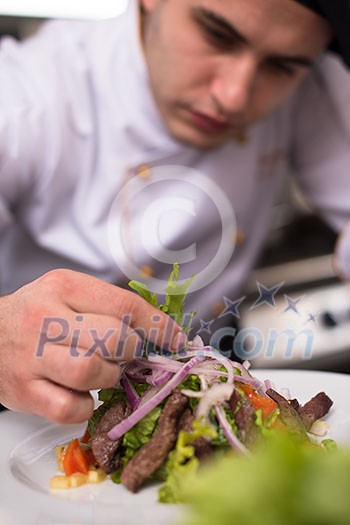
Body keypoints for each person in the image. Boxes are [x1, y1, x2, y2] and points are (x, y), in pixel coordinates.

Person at [0, 0, 349, 423]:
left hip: (212, 362)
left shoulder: (307, 87)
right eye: (216, 35)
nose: (232, 96)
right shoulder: (24, 96)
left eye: (280, 66)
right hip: (38, 398)